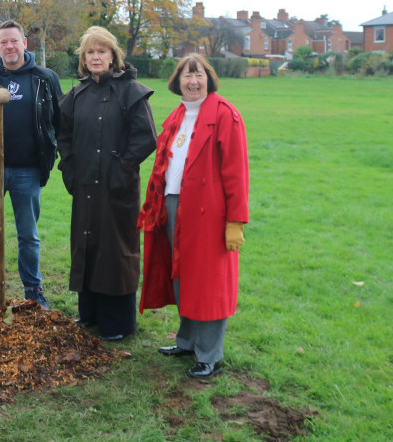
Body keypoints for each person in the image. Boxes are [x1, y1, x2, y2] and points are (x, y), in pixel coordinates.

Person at [137, 54, 249, 379]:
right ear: (178, 82)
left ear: (209, 78)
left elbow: (236, 173)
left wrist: (235, 220)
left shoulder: (226, 115)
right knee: (182, 276)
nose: (193, 81)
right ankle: (186, 341)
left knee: (208, 283)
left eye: (198, 75)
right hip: (173, 206)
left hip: (209, 215)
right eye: (187, 76)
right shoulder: (178, 115)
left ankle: (209, 355)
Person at [57, 26, 157, 341]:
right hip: (85, 185)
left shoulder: (131, 91)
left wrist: (122, 168)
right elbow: (65, 135)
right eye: (90, 52)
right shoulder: (77, 94)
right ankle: (89, 315)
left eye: (102, 51)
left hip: (118, 189)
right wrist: (70, 168)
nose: (96, 57)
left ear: (113, 55)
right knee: (87, 245)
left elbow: (146, 137)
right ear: (83, 59)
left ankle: (117, 323)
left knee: (115, 251)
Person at [0, 20, 62, 307]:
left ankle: (33, 293)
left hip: (28, 171)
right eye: (3, 42)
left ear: (25, 43)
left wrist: (52, 152)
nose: (9, 46)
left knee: (28, 236)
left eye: (14, 41)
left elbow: (59, 121)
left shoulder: (45, 77)